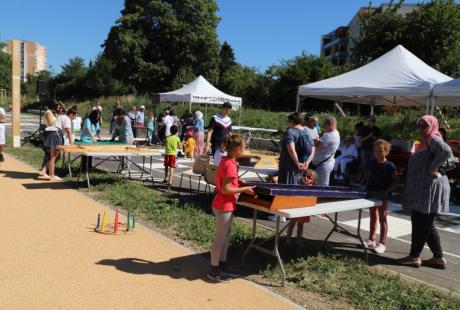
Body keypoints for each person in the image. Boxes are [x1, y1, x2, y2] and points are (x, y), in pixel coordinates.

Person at [399, 116, 454, 269]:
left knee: (420, 222)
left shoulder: (432, 138)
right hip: (424, 189)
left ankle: (414, 256)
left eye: (424, 125)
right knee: (425, 223)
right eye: (419, 125)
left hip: (429, 188)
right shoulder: (426, 141)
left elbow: (446, 151)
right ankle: (438, 257)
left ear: (432, 125)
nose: (421, 129)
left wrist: (433, 167)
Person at [208, 135, 255, 282]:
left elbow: (227, 180)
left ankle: (222, 264)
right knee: (220, 240)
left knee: (225, 238)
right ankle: (213, 271)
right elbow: (226, 188)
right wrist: (244, 189)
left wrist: (238, 181)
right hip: (224, 205)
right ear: (236, 149)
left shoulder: (228, 161)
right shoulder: (229, 164)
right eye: (244, 147)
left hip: (224, 204)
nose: (245, 149)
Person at [364, 139, 399, 254]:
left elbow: (396, 182)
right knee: (373, 217)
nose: (377, 153)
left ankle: (382, 243)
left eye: (380, 151)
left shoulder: (390, 166)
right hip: (372, 194)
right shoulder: (371, 163)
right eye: (375, 151)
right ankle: (371, 240)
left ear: (386, 151)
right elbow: (368, 178)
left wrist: (386, 191)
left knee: (383, 218)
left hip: (383, 195)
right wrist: (367, 189)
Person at [38, 105, 78, 180]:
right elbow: (68, 131)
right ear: (71, 114)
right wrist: (71, 143)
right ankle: (51, 175)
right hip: (55, 134)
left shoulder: (61, 116)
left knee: (54, 156)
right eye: (74, 117)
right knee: (53, 157)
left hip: (48, 133)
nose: (74, 119)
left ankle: (43, 171)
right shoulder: (67, 119)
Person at [278, 112, 315, 185]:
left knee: (285, 191)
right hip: (302, 167)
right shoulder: (306, 131)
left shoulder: (290, 131)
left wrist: (297, 163)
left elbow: (291, 150)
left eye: (288, 121)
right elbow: (313, 148)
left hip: (289, 168)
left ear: (292, 121)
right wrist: (307, 162)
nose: (288, 123)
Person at [286, 169, 318, 246]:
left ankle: (299, 240)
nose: (306, 178)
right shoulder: (298, 184)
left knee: (300, 225)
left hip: (304, 209)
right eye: (304, 175)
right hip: (296, 207)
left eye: (309, 177)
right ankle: (288, 238)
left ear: (312, 180)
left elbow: (314, 199)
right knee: (292, 223)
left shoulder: (313, 187)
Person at [312, 117, 340, 186]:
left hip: (323, 165)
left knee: (321, 189)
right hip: (322, 164)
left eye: (325, 125)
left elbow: (316, 145)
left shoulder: (330, 135)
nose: (324, 127)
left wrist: (314, 139)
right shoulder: (333, 134)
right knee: (318, 186)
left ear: (330, 124)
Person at [38, 101, 59, 179]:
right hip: (50, 134)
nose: (58, 109)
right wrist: (58, 120)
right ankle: (44, 171)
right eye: (57, 107)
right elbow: (51, 123)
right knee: (52, 155)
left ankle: (44, 171)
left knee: (51, 155)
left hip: (53, 133)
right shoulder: (48, 113)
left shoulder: (52, 113)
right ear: (53, 106)